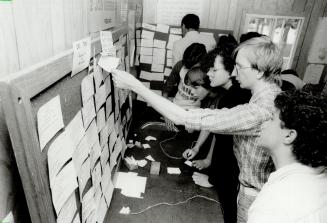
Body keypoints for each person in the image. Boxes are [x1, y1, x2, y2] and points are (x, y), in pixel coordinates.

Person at [111, 36, 283, 223]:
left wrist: (135, 85)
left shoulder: (260, 110)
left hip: (254, 195)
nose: (234, 72)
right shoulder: (269, 96)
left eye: (240, 67)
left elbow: (185, 118)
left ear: (259, 71)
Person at [183, 44, 251, 223]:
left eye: (214, 69)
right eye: (208, 69)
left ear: (231, 69)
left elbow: (228, 147)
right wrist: (207, 161)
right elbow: (219, 132)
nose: (209, 74)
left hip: (234, 177)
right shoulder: (229, 93)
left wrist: (214, 179)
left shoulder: (235, 96)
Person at [247, 90, 327, 223]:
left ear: (289, 136)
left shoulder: (273, 206)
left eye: (272, 119)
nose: (263, 123)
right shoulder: (320, 182)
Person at [163, 43, 207, 131]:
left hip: (194, 114)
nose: (189, 70)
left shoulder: (208, 74)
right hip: (175, 109)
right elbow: (166, 89)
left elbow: (211, 101)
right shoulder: (180, 65)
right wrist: (166, 113)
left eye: (193, 67)